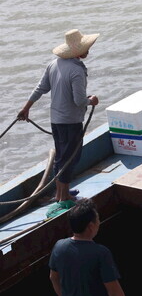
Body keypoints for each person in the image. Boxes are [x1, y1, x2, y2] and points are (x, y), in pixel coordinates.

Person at [18, 29, 101, 203]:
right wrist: (91, 100)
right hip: (71, 121)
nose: (88, 50)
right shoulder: (77, 71)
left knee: (62, 156)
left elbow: (40, 88)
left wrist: (26, 108)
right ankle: (63, 197)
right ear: (77, 51)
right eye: (86, 48)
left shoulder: (54, 64)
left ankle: (61, 193)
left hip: (56, 120)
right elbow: (79, 101)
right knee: (71, 158)